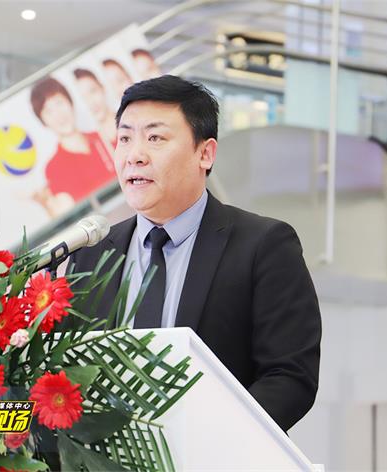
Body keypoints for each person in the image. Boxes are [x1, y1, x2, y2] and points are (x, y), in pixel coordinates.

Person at [69, 75, 321, 432]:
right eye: (124, 138)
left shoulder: (264, 245)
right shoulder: (90, 254)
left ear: (205, 153)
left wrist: (209, 441)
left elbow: (290, 376)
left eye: (155, 138)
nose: (134, 155)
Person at [29, 76, 116, 204]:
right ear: (43, 121)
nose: (59, 115)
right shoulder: (54, 169)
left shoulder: (103, 136)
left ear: (70, 102)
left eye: (59, 103)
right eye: (48, 111)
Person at [73, 68, 117, 148]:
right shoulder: (90, 145)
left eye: (92, 91)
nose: (91, 102)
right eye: (83, 98)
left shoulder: (131, 121)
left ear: (102, 88)